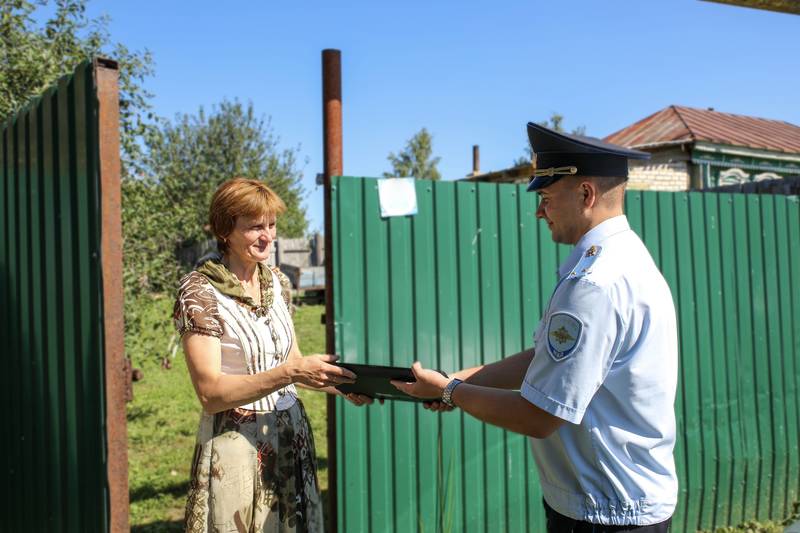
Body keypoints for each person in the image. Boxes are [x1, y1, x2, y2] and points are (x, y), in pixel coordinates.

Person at [393, 123, 678, 532]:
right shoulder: (625, 258)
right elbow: (545, 361)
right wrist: (453, 381)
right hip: (618, 500)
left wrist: (450, 391)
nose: (538, 211)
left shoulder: (593, 284)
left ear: (585, 194)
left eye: (545, 197)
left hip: (605, 512)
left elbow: (539, 416)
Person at [173, 177, 371, 532]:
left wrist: (348, 385)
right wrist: (291, 373)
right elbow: (211, 394)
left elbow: (292, 360)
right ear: (225, 231)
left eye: (271, 224)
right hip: (236, 443)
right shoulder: (199, 292)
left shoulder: (277, 282)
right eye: (254, 227)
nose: (268, 236)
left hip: (290, 433)